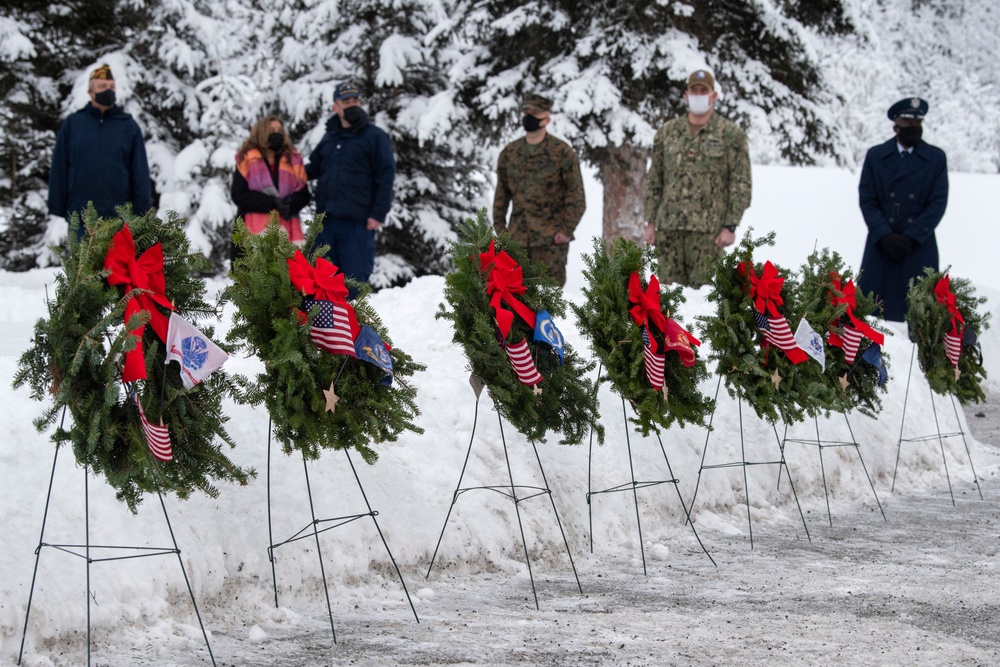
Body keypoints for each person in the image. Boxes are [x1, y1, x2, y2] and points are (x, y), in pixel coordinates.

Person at [643, 69, 752, 288]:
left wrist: (730, 226)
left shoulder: (730, 135)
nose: (699, 95)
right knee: (666, 299)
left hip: (710, 233)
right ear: (686, 95)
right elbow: (655, 179)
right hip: (669, 230)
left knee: (705, 302)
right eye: (694, 90)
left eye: (704, 90)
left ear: (714, 96)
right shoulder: (667, 132)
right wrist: (650, 222)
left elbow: (741, 182)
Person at [858, 97, 948, 321]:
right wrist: (884, 234)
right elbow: (867, 199)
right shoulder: (876, 156)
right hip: (882, 245)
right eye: (908, 124)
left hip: (918, 246)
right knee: (868, 313)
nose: (914, 129)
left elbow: (938, 203)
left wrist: (911, 237)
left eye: (918, 124)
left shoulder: (935, 158)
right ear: (896, 126)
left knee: (921, 316)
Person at [306, 82, 395, 296]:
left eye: (355, 100)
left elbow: (386, 175)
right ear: (335, 106)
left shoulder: (374, 136)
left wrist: (378, 213)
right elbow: (313, 169)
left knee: (353, 285)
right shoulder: (330, 137)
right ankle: (324, 328)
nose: (352, 105)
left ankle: (351, 328)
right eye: (346, 102)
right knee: (321, 282)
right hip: (325, 223)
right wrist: (285, 174)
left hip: (358, 224)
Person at [492, 93, 586, 287]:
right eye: (526, 112)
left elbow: (576, 196)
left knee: (550, 304)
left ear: (546, 119)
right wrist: (501, 232)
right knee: (515, 298)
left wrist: (566, 230)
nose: (529, 117)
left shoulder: (561, 152)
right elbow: (501, 195)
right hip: (517, 240)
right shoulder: (510, 153)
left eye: (534, 113)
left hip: (551, 243)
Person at [48, 63, 151, 238]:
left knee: (116, 266)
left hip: (117, 219)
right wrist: (57, 206)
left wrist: (142, 213)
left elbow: (139, 173)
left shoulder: (128, 127)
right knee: (79, 265)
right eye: (102, 86)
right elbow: (60, 168)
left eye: (111, 86)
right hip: (79, 219)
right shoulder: (73, 125)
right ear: (90, 92)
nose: (108, 90)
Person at [231, 115, 310, 261]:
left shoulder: (293, 160)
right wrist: (272, 203)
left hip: (288, 232)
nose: (277, 134)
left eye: (280, 130)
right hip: (251, 234)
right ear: (261, 133)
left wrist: (289, 204)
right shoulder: (247, 159)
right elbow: (239, 194)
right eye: (271, 130)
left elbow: (304, 194)